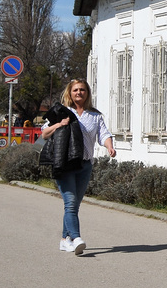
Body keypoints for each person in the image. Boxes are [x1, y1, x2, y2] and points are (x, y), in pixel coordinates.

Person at [41, 79, 116, 255]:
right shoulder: (62, 112)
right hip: (65, 164)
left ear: (87, 93)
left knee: (74, 205)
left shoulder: (95, 116)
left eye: (82, 90)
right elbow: (44, 133)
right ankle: (76, 238)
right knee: (71, 203)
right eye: (75, 90)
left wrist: (109, 146)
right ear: (70, 92)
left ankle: (64, 239)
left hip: (85, 165)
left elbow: (103, 134)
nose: (79, 93)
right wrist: (60, 124)